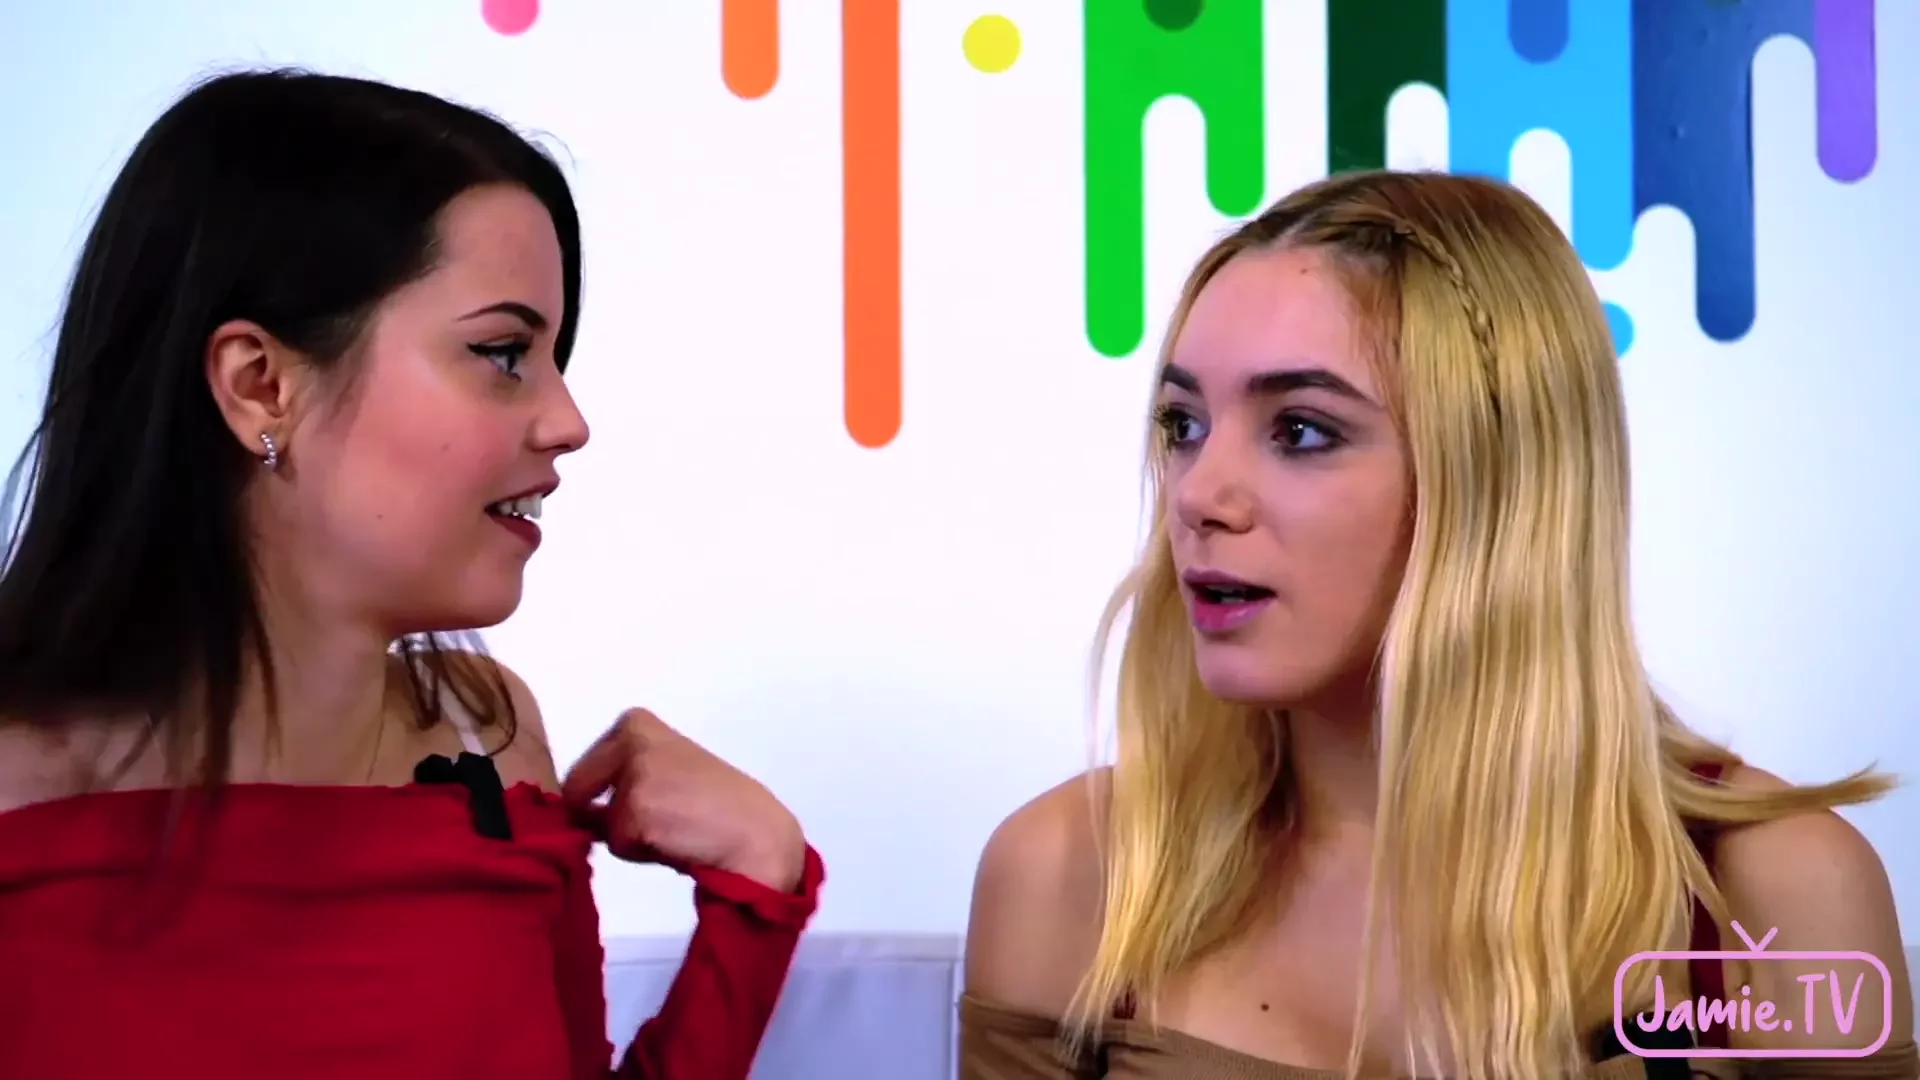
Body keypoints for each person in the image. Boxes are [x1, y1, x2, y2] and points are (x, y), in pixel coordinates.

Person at [960, 171, 1915, 1079]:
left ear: (1499, 478)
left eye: (1300, 430)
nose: (1199, 495)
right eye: (1184, 425)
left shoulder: (1780, 898)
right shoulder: (1067, 877)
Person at [0, 69, 821, 1079]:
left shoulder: (493, 737)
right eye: (503, 353)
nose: (568, 422)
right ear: (262, 385)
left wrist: (754, 897)